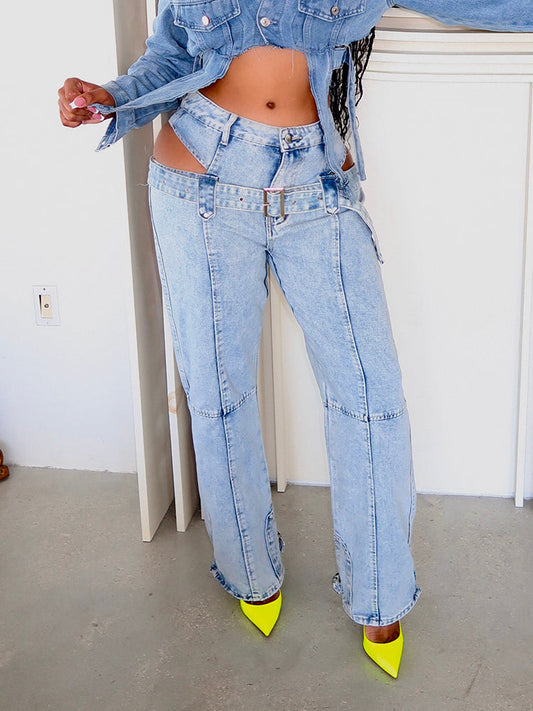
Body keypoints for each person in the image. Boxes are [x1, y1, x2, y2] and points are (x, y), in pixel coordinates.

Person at [58, 0, 533, 679]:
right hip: (198, 182)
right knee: (217, 396)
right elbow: (170, 55)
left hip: (316, 186)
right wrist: (108, 97)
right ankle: (251, 573)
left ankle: (379, 592)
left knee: (370, 399)